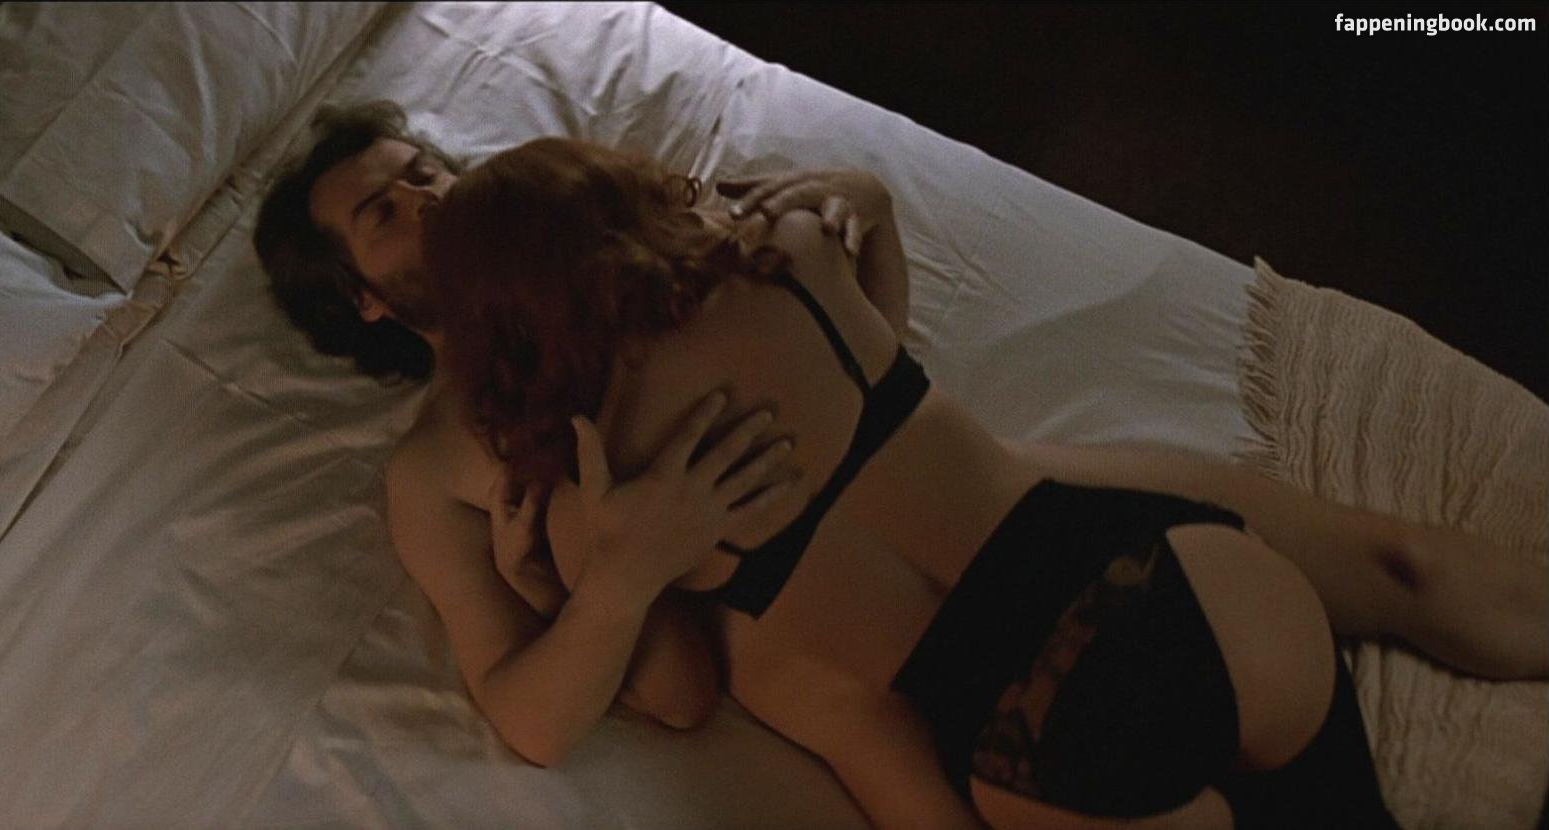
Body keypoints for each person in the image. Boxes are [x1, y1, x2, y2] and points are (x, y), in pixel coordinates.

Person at [251, 101, 1547, 773]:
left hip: (991, 495)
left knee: (1401, 566)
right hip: (840, 640)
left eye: (424, 168)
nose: (430, 197)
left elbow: (874, 382)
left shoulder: (621, 244)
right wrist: (606, 581)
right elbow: (551, 713)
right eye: (385, 210)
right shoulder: (438, 468)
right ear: (363, 298)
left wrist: (867, 219)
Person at [425, 136, 1405, 828]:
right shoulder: (790, 252)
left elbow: (675, 690)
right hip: (1182, 572)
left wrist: (552, 589)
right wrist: (876, 217)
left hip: (1043, 738)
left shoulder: (593, 499)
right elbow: (886, 371)